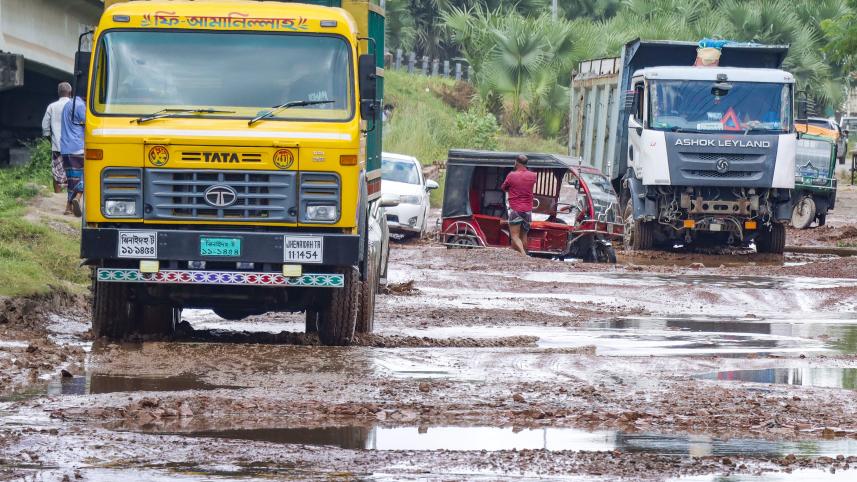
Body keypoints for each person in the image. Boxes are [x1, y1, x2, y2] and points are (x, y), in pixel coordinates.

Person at [501, 154, 537, 255]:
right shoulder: (533, 176)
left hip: (516, 210)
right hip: (528, 211)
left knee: (514, 236)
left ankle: (523, 255)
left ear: (516, 162)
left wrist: (511, 188)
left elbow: (503, 187)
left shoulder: (511, 175)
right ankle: (518, 255)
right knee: (523, 236)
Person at [41, 82, 72, 194]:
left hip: (57, 146)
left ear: (58, 93)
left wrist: (50, 139)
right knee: (73, 171)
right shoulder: (74, 105)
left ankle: (57, 194)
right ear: (70, 93)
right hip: (73, 147)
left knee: (56, 171)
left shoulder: (52, 106)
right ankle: (72, 195)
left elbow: (45, 126)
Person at [60, 93, 86, 217]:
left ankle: (68, 207)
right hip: (78, 147)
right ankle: (78, 196)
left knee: (72, 180)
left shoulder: (67, 105)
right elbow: (90, 124)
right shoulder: (80, 106)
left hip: (66, 148)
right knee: (88, 174)